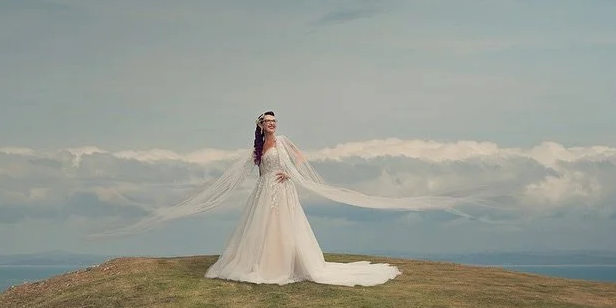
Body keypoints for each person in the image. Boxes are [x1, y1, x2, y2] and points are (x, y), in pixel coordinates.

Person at [89, 111, 470, 286]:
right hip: (263, 192)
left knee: (286, 229)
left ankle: (289, 267)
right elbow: (247, 170)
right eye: (268, 123)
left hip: (282, 189)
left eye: (274, 122)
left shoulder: (283, 142)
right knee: (261, 232)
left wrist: (292, 174)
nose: (273, 126)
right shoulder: (257, 149)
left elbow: (302, 159)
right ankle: (265, 266)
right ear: (260, 126)